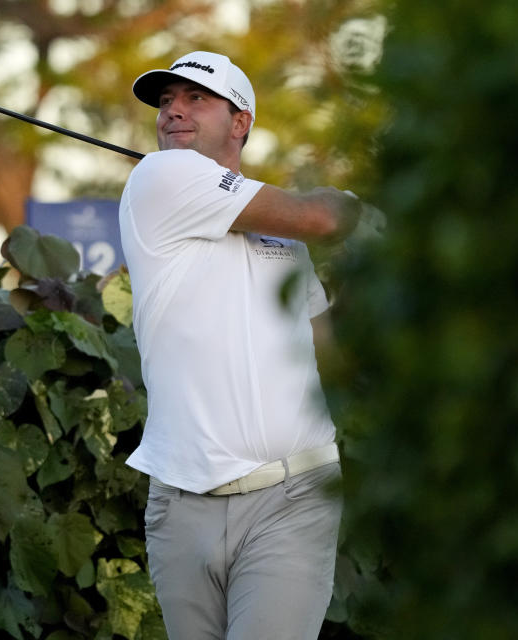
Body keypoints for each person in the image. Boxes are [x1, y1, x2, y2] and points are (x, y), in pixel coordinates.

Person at [118, 51, 364, 640]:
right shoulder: (161, 175)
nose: (173, 111)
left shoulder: (282, 237)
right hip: (181, 504)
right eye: (166, 101)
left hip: (293, 495)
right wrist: (355, 205)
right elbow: (322, 217)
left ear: (241, 121)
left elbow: (322, 347)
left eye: (194, 98)